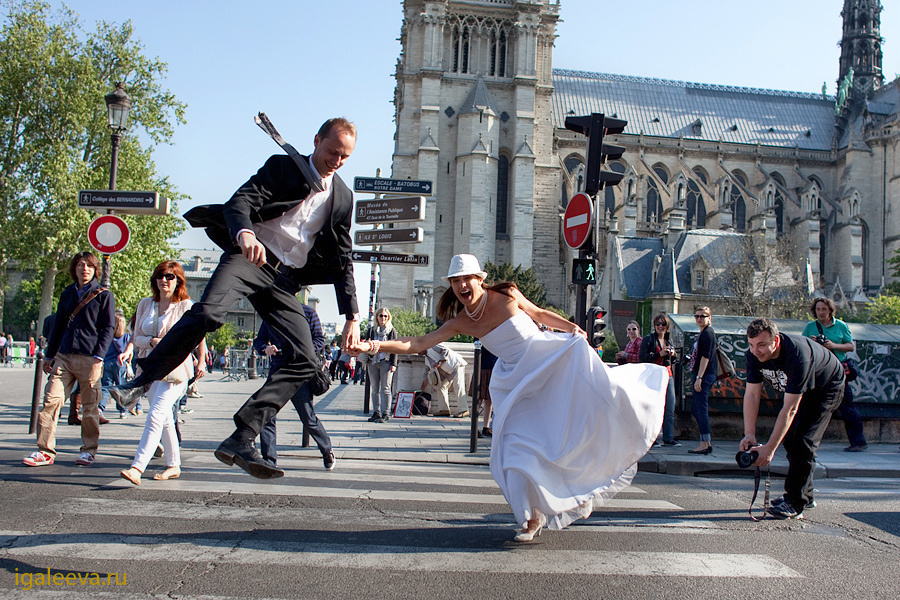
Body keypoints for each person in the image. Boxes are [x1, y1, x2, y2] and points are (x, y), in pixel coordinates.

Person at [110, 117, 360, 480]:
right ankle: (138, 383)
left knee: (307, 360)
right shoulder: (283, 167)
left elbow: (342, 256)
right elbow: (240, 201)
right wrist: (244, 233)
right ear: (317, 140)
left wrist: (351, 315)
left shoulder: (343, 197)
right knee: (209, 314)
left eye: (345, 157)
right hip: (249, 257)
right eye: (332, 151)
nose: (336, 161)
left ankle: (243, 436)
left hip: (283, 279)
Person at [350, 254, 666, 541]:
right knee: (514, 449)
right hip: (516, 381)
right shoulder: (462, 320)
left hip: (547, 361)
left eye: (467, 279)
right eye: (455, 281)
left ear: (479, 280)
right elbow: (417, 343)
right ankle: (531, 518)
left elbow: (539, 312)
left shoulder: (507, 294)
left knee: (584, 413)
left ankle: (583, 481)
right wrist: (371, 346)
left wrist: (572, 328)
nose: (461, 285)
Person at [740, 318, 844, 519]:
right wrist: (749, 434)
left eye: (762, 344)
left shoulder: (797, 355)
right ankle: (806, 494)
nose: (756, 351)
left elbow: (789, 409)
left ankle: (796, 503)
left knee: (804, 441)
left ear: (776, 341)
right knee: (790, 439)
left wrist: (769, 449)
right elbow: (752, 395)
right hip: (802, 390)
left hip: (827, 388)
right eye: (751, 345)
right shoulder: (753, 355)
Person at [23, 251, 116, 467]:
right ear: (74, 269)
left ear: (95, 270)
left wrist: (99, 356)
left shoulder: (104, 295)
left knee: (90, 408)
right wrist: (49, 354)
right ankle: (45, 451)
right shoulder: (67, 294)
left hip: (90, 358)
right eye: (80, 265)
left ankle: (89, 450)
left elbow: (108, 328)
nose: (84, 269)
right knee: (50, 402)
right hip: (64, 356)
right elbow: (58, 326)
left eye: (89, 266)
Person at [119, 261, 207, 485]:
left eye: (169, 277)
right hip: (149, 368)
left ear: (178, 281)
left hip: (176, 368)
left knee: (156, 414)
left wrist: (202, 361)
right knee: (166, 418)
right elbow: (136, 337)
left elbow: (198, 335)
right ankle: (174, 464)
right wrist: (152, 341)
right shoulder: (145, 304)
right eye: (160, 276)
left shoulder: (186, 305)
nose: (164, 280)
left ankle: (137, 467)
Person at [254, 304, 335, 471]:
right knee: (267, 414)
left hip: (299, 371)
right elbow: (259, 340)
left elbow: (319, 340)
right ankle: (269, 460)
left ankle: (327, 450)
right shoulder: (272, 311)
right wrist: (266, 348)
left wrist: (301, 350)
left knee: (308, 418)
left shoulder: (308, 312)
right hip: (278, 370)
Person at [801, 298, 865, 452]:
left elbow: (850, 346)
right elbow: (802, 344)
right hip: (818, 370)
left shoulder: (841, 326)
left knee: (847, 407)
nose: (821, 312)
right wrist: (813, 343)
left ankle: (858, 442)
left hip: (837, 371)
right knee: (808, 405)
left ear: (830, 310)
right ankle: (803, 440)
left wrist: (833, 345)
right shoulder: (811, 326)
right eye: (818, 310)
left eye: (824, 309)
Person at [640, 313, 680, 447]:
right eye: (658, 324)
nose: (660, 327)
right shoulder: (649, 339)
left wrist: (672, 354)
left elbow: (674, 360)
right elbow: (643, 357)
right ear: (654, 326)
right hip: (654, 375)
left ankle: (668, 437)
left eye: (663, 324)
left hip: (667, 374)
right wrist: (659, 354)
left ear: (667, 326)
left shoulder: (669, 341)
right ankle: (652, 438)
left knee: (670, 406)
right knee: (653, 408)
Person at [688, 305, 717, 454]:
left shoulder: (707, 334)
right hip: (702, 374)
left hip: (704, 375)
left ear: (709, 318)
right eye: (697, 316)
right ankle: (705, 441)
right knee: (697, 408)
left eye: (702, 316)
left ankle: (705, 442)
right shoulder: (704, 332)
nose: (699, 318)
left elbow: (705, 357)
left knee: (701, 408)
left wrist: (699, 377)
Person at [365, 307, 398, 423]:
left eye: (385, 316)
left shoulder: (391, 330)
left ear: (388, 318)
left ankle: (386, 413)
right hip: (373, 361)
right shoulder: (371, 330)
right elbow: (366, 345)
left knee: (386, 388)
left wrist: (394, 363)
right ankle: (376, 412)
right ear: (377, 317)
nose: (383, 318)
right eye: (381, 315)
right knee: (374, 388)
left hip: (386, 361)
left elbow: (395, 348)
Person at [419, 343, 469, 417]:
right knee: (441, 387)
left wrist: (439, 362)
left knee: (458, 386)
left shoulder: (433, 346)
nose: (418, 353)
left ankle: (464, 410)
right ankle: (444, 409)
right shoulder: (427, 360)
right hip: (447, 372)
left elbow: (445, 350)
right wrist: (421, 389)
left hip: (456, 365)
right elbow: (425, 375)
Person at [100, 313, 131, 421]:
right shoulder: (127, 337)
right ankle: (123, 411)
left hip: (107, 363)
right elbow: (130, 351)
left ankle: (100, 408)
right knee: (121, 387)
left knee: (105, 388)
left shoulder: (107, 336)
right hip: (121, 364)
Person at [477, 347, 497, 438]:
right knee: (478, 400)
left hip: (493, 368)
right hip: (482, 368)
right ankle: (474, 427)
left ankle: (486, 427)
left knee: (489, 400)